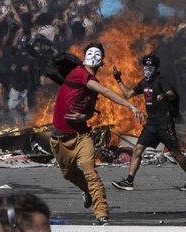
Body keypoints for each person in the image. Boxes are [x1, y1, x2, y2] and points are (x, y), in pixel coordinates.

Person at [50, 42, 144, 225]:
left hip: (81, 136)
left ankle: (102, 216)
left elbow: (90, 112)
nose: (94, 59)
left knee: (90, 171)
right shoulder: (79, 74)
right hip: (59, 139)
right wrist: (130, 105)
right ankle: (87, 191)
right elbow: (107, 91)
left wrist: (81, 116)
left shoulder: (92, 85)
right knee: (68, 174)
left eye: (97, 56)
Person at [111, 54, 186, 191]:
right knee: (137, 150)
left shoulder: (161, 80)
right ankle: (129, 181)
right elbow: (128, 94)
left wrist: (164, 95)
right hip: (151, 124)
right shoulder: (143, 83)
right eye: (145, 66)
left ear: (155, 68)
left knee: (175, 153)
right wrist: (118, 79)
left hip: (165, 123)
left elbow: (172, 94)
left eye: (150, 67)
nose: (147, 69)